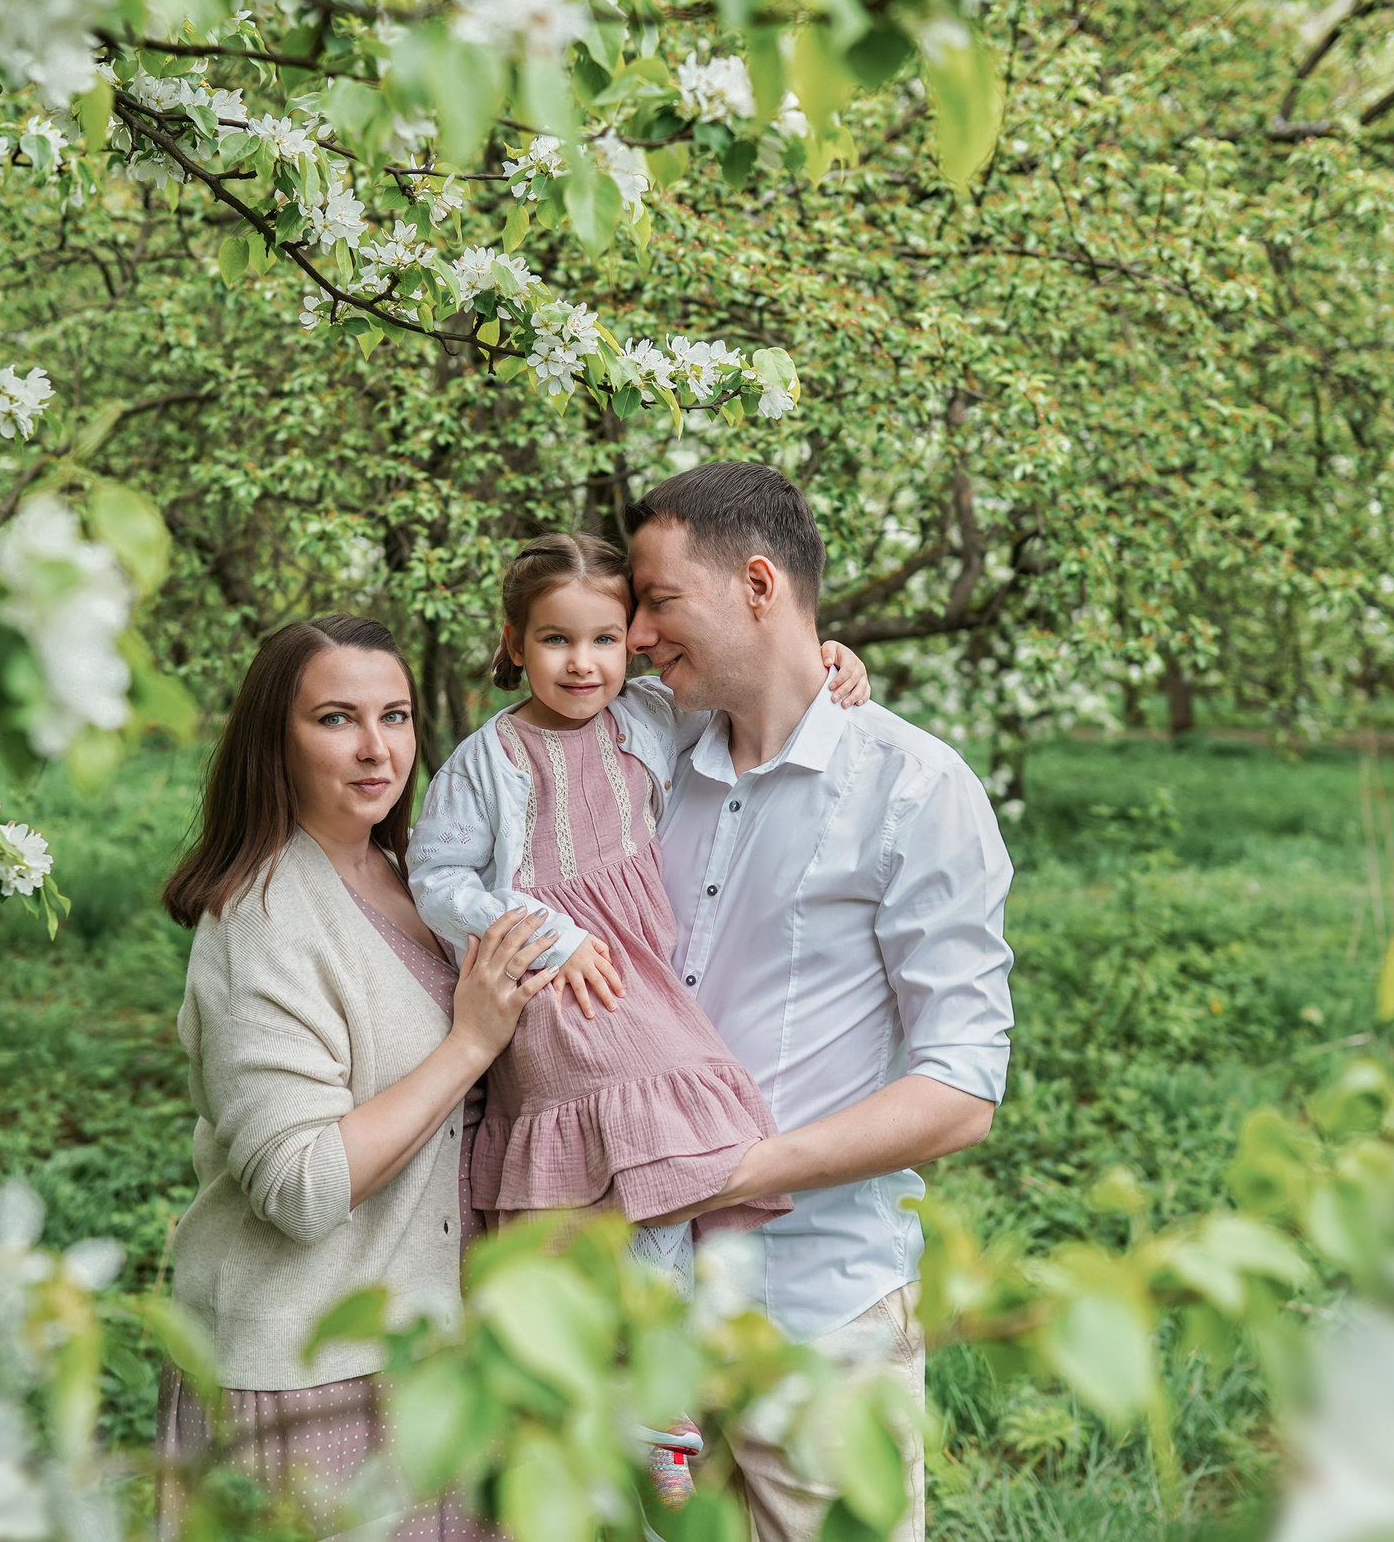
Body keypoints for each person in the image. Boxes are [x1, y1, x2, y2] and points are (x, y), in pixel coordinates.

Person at [407, 532, 872, 1507]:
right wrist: (544, 931)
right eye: (555, 641)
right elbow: (438, 876)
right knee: (647, 1159)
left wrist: (829, 660)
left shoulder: (648, 721)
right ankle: (629, 1397)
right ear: (513, 644)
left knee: (664, 1174)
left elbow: (754, 694)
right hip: (565, 997)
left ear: (631, 644)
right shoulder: (489, 761)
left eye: (605, 640)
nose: (582, 664)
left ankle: (664, 1385)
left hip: (645, 981)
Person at [626, 462, 1018, 1542]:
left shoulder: (913, 789)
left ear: (757, 583)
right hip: (638, 1316)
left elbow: (960, 1091)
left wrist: (722, 1178)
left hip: (820, 1314)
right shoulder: (636, 766)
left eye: (659, 602)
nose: (638, 635)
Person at [157, 614, 570, 1538]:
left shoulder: (412, 872)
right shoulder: (262, 916)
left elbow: (611, 721)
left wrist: (819, 669)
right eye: (337, 719)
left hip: (436, 1358)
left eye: (397, 715)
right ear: (277, 739)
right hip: (313, 1379)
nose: (377, 748)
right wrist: (468, 1043)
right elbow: (301, 1187)